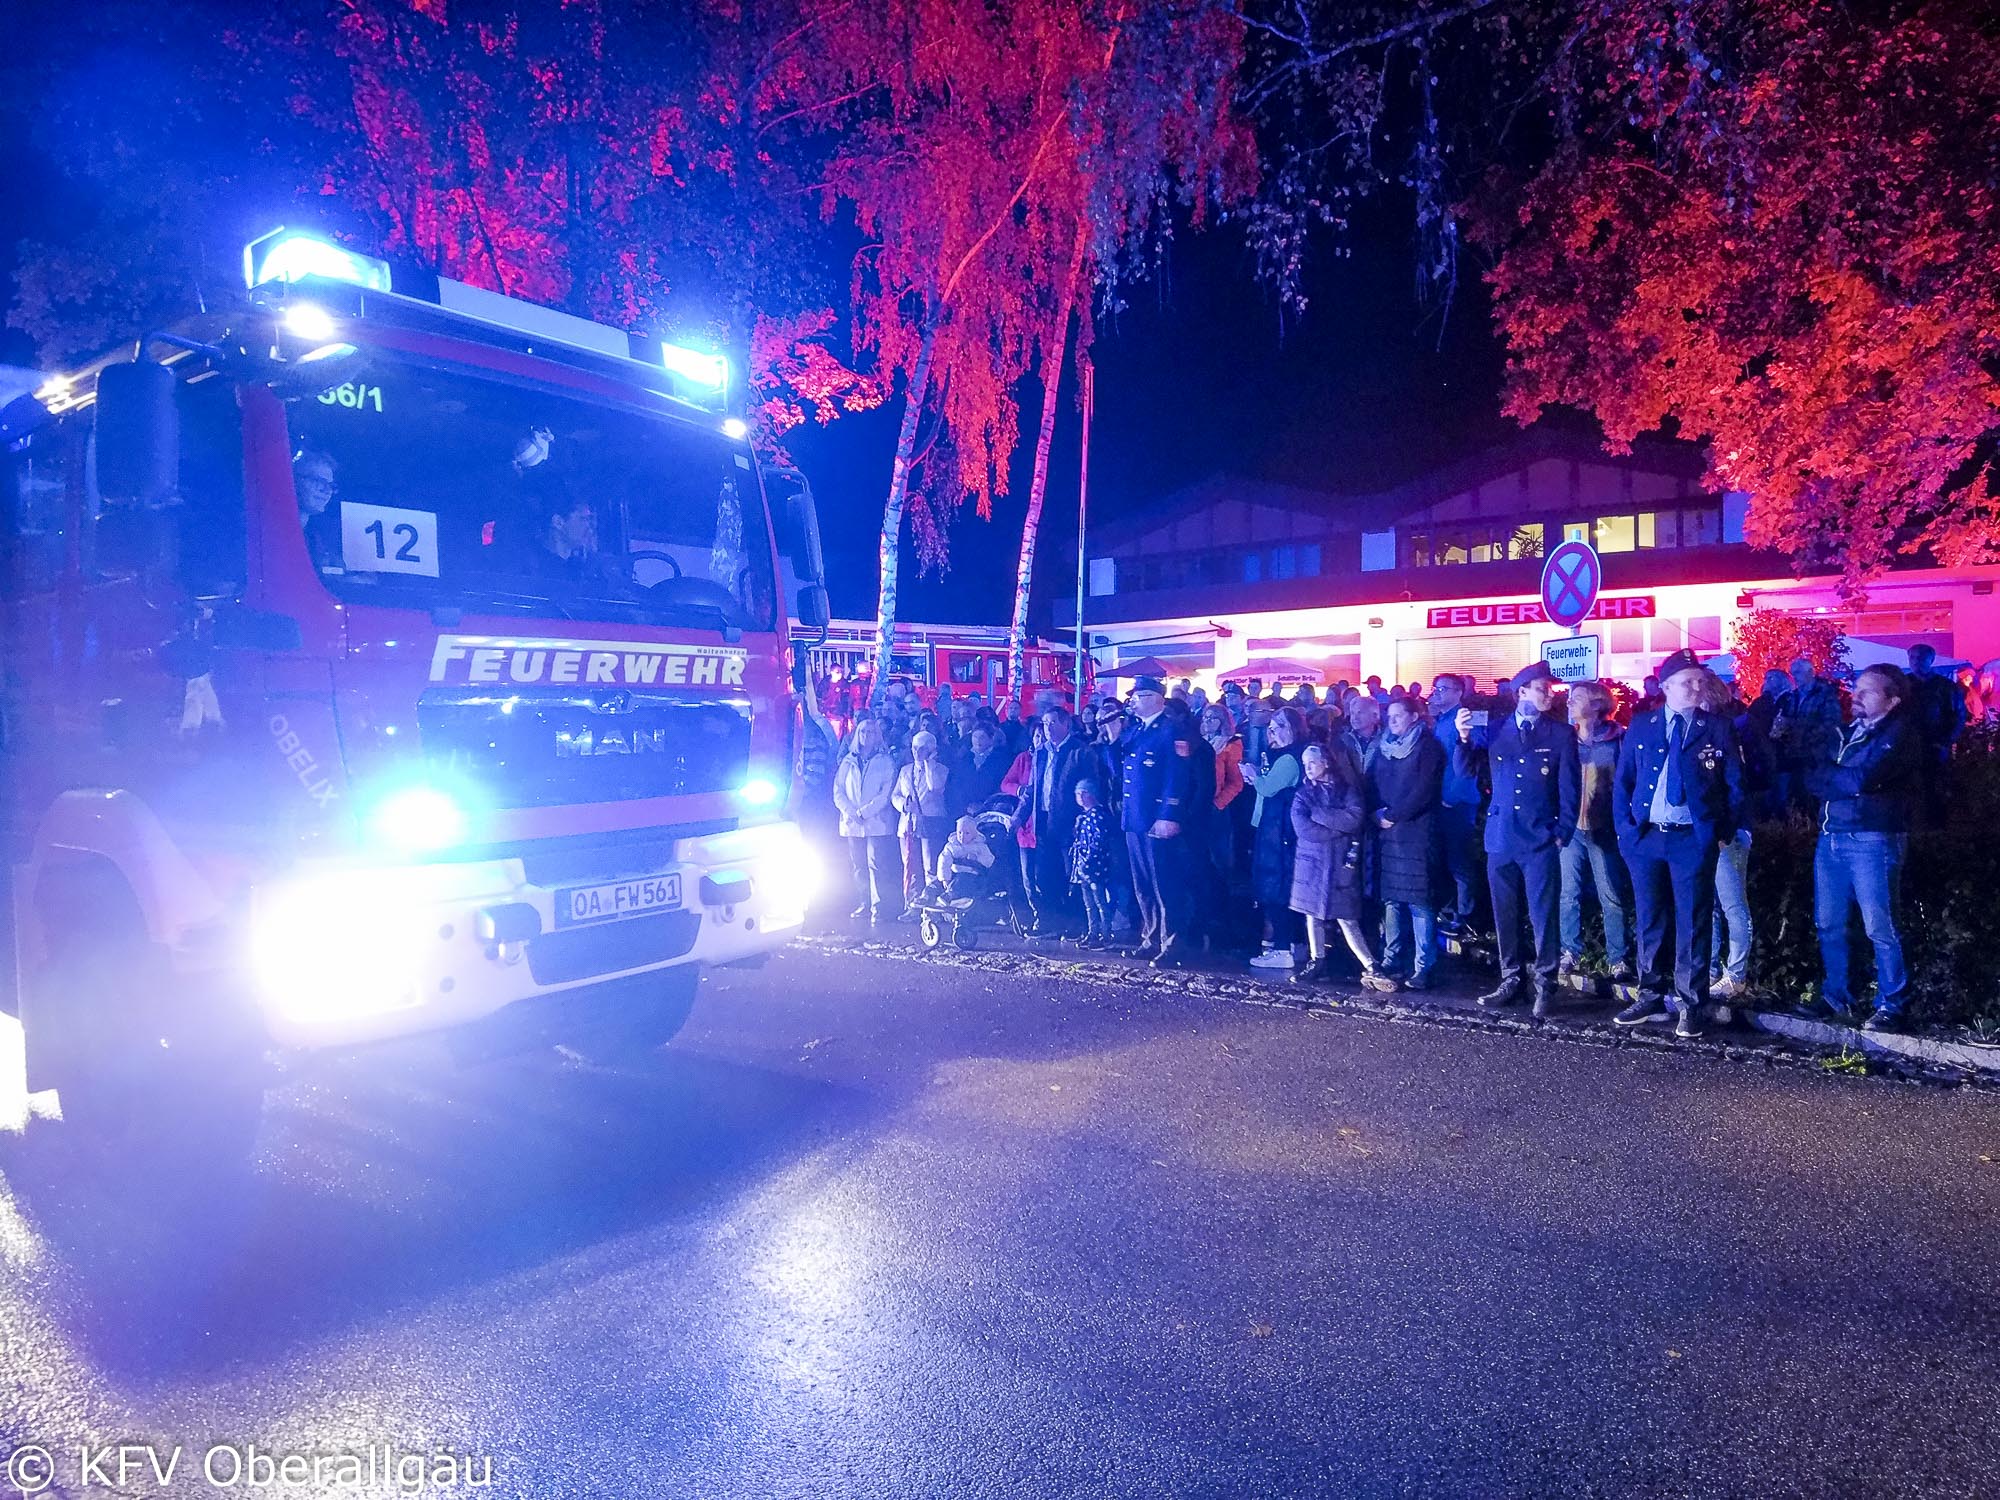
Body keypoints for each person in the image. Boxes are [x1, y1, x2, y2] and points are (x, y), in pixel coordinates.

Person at [1611, 650, 1745, 1038]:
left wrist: (1722, 833)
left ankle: (1690, 1002)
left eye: (1700, 681)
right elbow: (1624, 782)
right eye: (1688, 681)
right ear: (1666, 686)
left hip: (1692, 838)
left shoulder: (1717, 727)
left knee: (1693, 921)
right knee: (1650, 917)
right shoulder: (1642, 725)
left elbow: (1735, 784)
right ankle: (1650, 994)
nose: (1697, 687)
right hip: (1648, 836)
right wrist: (1626, 830)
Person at [1455, 662, 1580, 1017]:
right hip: (1502, 836)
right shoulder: (1495, 730)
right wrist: (1462, 739)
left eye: (1550, 689)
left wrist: (1562, 831)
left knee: (1543, 915)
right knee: (1505, 914)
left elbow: (1570, 788)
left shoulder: (1560, 734)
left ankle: (1545, 984)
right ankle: (1510, 978)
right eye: (1542, 688)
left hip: (1540, 838)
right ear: (1521, 691)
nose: (1549, 694)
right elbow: (1466, 771)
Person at [1805, 664, 1924, 1030]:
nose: (1855, 697)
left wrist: (1837, 779)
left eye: (1867, 692)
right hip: (1832, 837)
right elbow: (1812, 775)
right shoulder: (1845, 732)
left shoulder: (1901, 734)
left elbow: (1865, 777)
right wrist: (1844, 780)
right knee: (1829, 923)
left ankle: (1893, 1005)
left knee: (1880, 926)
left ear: (1892, 700)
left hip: (1873, 837)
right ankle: (1836, 996)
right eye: (1856, 689)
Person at [1288, 743, 1397, 990]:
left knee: (1347, 918)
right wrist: (1338, 829)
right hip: (1313, 863)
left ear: (1326, 762)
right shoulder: (1303, 794)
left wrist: (1320, 815)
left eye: (1313, 762)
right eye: (1305, 763)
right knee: (1312, 915)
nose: (1309, 767)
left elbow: (1355, 819)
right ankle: (1317, 960)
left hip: (1340, 863)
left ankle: (1370, 964)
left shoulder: (1347, 791)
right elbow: (1303, 828)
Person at [1560, 680, 1635, 982]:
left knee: (1612, 894)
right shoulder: (1565, 740)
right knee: (1568, 893)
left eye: (1575, 698)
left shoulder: (1619, 739)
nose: (1568, 702)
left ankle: (1618, 958)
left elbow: (1628, 781)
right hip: (1571, 828)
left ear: (1597, 704)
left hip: (1604, 827)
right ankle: (1570, 952)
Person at [1369, 696, 1446, 988]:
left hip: (1416, 832)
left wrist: (1395, 814)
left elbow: (1424, 789)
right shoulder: (1384, 747)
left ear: (1415, 716)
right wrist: (1377, 813)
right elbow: (1373, 783)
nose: (1393, 721)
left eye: (1399, 715)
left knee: (1419, 901)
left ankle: (1424, 966)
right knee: (1392, 900)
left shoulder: (1428, 747)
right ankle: (1392, 958)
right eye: (1390, 716)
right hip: (1388, 832)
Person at [1120, 676, 1196, 966]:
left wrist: (1169, 815)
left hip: (1156, 819)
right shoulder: (1138, 730)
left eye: (1138, 696)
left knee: (1164, 882)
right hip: (1136, 817)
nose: (1133, 701)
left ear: (1155, 698)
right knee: (1143, 884)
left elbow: (1177, 778)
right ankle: (1150, 938)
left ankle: (1172, 944)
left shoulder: (1171, 730)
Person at [1700, 671, 1764, 1006]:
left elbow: (1736, 786)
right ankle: (1711, 971)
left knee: (1732, 905)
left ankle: (1735, 975)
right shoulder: (1705, 729)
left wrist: (1729, 829)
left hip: (1729, 832)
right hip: (1711, 831)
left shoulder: (1726, 729)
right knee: (1711, 906)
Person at [1246, 706, 1307, 970]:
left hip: (1279, 831)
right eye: (1271, 727)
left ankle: (1283, 948)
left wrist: (1253, 775)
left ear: (1293, 728)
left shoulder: (1289, 759)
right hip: (1272, 827)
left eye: (1279, 726)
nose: (1273, 731)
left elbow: (1269, 788)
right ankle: (1292, 946)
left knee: (1277, 886)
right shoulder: (1279, 754)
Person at [1024, 706, 1092, 935]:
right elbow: (1033, 788)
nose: (1048, 728)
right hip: (1043, 820)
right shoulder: (1041, 752)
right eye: (1045, 723)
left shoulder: (1080, 752)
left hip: (1069, 823)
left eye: (1053, 722)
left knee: (1071, 874)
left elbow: (1090, 788)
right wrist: (1019, 817)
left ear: (1066, 725)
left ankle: (1075, 923)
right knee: (1044, 873)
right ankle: (1049, 921)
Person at [1428, 674, 1485, 939]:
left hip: (1457, 801)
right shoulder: (1441, 719)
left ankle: (1467, 917)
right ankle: (1451, 910)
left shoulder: (1464, 719)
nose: (1436, 693)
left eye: (1443, 689)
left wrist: (1451, 797)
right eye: (1435, 688)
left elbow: (1469, 763)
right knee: (1446, 859)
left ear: (1459, 692)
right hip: (1442, 799)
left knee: (1459, 861)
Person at [834, 716, 902, 926]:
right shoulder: (848, 761)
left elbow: (885, 793)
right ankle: (864, 903)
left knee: (877, 865)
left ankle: (879, 906)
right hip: (852, 821)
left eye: (871, 732)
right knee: (859, 866)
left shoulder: (885, 761)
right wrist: (851, 811)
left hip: (876, 822)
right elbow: (838, 790)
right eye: (862, 732)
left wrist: (864, 812)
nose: (866, 736)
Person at [893, 729, 952, 914]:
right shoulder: (904, 770)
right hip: (908, 824)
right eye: (914, 747)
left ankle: (932, 907)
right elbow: (895, 794)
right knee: (911, 865)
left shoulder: (941, 770)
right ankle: (912, 905)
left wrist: (929, 764)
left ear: (931, 749)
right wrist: (903, 804)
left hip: (931, 823)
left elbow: (935, 787)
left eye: (921, 748)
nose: (916, 751)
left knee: (930, 866)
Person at [1906, 643, 1966, 825]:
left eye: (1920, 658)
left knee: (1934, 788)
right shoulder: (1903, 685)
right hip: (1907, 746)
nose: (1916, 662)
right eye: (1912, 657)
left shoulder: (1945, 687)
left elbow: (1958, 716)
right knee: (1908, 789)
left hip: (1935, 745)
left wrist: (1946, 742)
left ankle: (1936, 829)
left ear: (1931, 660)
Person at [1773, 656, 1844, 811]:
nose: (1795, 677)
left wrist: (1802, 731)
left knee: (1812, 796)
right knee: (1795, 797)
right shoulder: (1792, 696)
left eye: (1798, 672)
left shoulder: (1825, 694)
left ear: (1811, 672)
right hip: (1794, 754)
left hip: (1815, 755)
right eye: (1793, 673)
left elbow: (1832, 723)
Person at [1068, 779, 1119, 949]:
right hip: (1083, 868)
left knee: (1100, 902)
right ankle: (1093, 932)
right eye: (1078, 794)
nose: (1081, 797)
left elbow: (1098, 842)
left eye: (1085, 793)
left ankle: (1106, 934)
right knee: (1089, 903)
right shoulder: (1082, 817)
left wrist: (1088, 859)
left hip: (1095, 867)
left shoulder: (1098, 815)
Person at [292, 446, 342, 569]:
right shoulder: (271, 531)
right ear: (294, 481)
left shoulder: (317, 539)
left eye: (330, 485)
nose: (326, 490)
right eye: (318, 481)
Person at [934, 812, 996, 898]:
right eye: (960, 832)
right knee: (936, 881)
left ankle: (949, 895)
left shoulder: (980, 846)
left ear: (974, 834)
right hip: (953, 872)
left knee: (962, 880)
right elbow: (943, 861)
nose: (962, 836)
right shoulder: (951, 846)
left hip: (971, 874)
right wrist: (945, 878)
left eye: (967, 833)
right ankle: (927, 895)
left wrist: (977, 858)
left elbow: (989, 860)